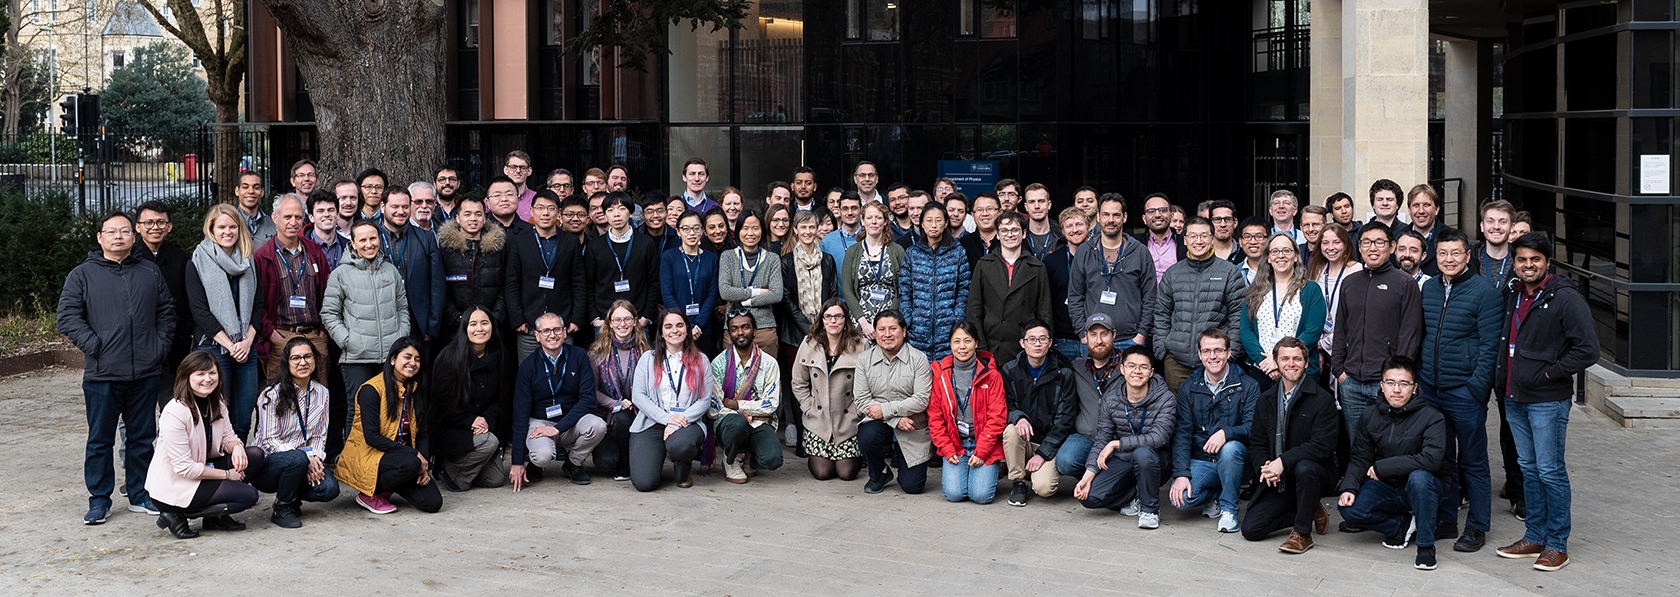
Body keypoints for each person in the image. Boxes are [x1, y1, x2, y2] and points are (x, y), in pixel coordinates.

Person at [59, 211, 177, 523]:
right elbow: (68, 317)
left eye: (124, 231)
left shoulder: (149, 272)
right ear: (100, 237)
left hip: (145, 373)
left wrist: (158, 348)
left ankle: (140, 494)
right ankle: (99, 500)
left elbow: (167, 311)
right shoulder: (82, 275)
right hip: (103, 375)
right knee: (100, 440)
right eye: (111, 232)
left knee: (142, 438)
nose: (118, 237)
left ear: (133, 236)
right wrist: (96, 346)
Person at [1493, 232, 1599, 572]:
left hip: (1546, 400)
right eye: (1521, 259)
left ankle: (1557, 545)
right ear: (1515, 262)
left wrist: (1550, 374)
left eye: (1534, 260)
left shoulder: (1565, 298)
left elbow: (1588, 349)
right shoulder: (1513, 292)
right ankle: (1534, 535)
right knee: (1528, 469)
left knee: (1550, 471)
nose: (1527, 265)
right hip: (1514, 398)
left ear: (1547, 263)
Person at [1417, 228, 1504, 552]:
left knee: (1473, 461)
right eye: (1443, 254)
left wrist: (1475, 390)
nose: (1449, 259)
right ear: (1434, 256)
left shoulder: (1485, 294)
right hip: (1431, 388)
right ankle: (1447, 520)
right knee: (1442, 459)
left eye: (1455, 253)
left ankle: (1477, 527)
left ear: (1468, 256)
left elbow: (1489, 348)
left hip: (1464, 392)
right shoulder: (1429, 289)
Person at [1337, 356, 1449, 570]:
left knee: (1419, 477)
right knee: (1348, 509)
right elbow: (1360, 456)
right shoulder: (1370, 415)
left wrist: (1383, 467)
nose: (1396, 389)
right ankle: (1402, 525)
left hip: (1423, 488)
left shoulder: (1432, 417)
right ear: (1382, 385)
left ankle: (1426, 546)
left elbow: (1431, 460)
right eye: (1390, 382)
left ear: (1414, 388)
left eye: (1404, 383)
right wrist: (1349, 487)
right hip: (1386, 486)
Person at [146, 351, 264, 538]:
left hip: (202, 468)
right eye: (200, 374)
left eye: (212, 373)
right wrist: (227, 475)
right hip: (176, 483)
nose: (207, 379)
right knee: (248, 496)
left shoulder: (215, 402)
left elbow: (228, 437)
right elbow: (185, 468)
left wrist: (238, 447)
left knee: (254, 456)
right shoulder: (175, 412)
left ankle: (214, 517)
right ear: (186, 377)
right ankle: (175, 514)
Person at [1240, 337, 1339, 553]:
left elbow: (1322, 445)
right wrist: (1265, 468)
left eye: (1297, 359)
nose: (1291, 364)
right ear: (1276, 362)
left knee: (1305, 467)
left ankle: (1302, 533)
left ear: (1306, 362)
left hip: (1316, 474)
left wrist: (1282, 462)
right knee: (1251, 529)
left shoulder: (1323, 399)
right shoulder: (1265, 399)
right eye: (1284, 358)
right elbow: (1257, 443)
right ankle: (1308, 508)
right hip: (1281, 478)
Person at [1332, 223, 1424, 442]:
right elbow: (1340, 329)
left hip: (1385, 383)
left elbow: (1410, 334)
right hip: (1351, 381)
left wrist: (1395, 378)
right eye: (1366, 242)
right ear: (1359, 247)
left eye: (1379, 242)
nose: (1373, 248)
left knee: (1390, 444)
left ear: (1391, 247)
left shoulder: (1405, 283)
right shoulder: (1349, 282)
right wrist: (1339, 370)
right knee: (1358, 444)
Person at [322, 220, 413, 432]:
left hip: (390, 356)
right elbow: (329, 313)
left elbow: (402, 308)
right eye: (362, 240)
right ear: (352, 243)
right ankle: (352, 464)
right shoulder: (341, 274)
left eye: (373, 238)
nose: (369, 244)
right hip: (356, 357)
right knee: (358, 411)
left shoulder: (390, 271)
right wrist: (348, 341)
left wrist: (400, 338)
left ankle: (383, 462)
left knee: (390, 410)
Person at [1072, 345, 1176, 529]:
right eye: (1131, 366)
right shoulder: (1111, 399)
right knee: (1090, 497)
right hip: (1125, 461)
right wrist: (1088, 475)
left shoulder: (1165, 398)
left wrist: (1117, 444)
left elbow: (1159, 437)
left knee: (1143, 454)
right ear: (1122, 369)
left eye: (1143, 367)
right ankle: (1137, 493)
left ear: (1151, 372)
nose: (1137, 371)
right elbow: (1102, 440)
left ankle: (1149, 509)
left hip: (1156, 461)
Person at [185, 204, 266, 441]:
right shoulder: (197, 262)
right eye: (221, 227)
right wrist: (231, 346)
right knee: (217, 415)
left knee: (243, 416)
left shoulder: (249, 261)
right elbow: (200, 312)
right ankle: (217, 467)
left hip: (246, 348)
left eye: (233, 226)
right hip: (214, 349)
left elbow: (259, 306)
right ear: (211, 229)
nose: (227, 232)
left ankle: (237, 467)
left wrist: (247, 342)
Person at [1168, 329, 1259, 532]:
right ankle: (1219, 492)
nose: (1213, 356)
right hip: (1202, 458)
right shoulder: (1189, 387)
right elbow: (1182, 432)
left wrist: (1227, 433)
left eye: (1218, 350)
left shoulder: (1248, 385)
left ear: (1228, 353)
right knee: (1180, 499)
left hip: (1237, 459)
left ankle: (1229, 509)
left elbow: (1254, 428)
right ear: (1199, 355)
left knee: (1229, 448)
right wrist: (1181, 474)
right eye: (1207, 351)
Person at [339, 339, 441, 514]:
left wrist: (424, 464)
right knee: (411, 463)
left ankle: (389, 486)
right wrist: (415, 455)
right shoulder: (371, 389)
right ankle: (369, 495)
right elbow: (372, 437)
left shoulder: (416, 390)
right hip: (369, 456)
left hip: (402, 459)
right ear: (393, 360)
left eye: (417, 359)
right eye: (407, 357)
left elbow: (422, 433)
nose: (413, 363)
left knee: (432, 503)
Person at [250, 338, 340, 527]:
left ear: (315, 359)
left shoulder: (322, 393)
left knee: (329, 489)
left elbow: (319, 435)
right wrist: (305, 458)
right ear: (287, 362)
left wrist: (314, 458)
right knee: (297, 459)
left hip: (302, 460)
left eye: (308, 356)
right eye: (296, 358)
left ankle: (291, 495)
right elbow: (269, 440)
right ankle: (282, 508)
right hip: (269, 465)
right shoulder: (271, 394)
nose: (302, 362)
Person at [509, 313, 605, 488]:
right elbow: (520, 413)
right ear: (537, 336)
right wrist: (516, 462)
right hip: (539, 422)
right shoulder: (528, 366)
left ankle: (573, 463)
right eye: (546, 330)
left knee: (598, 425)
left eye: (556, 329)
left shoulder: (579, 356)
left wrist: (557, 428)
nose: (552, 335)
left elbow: (589, 400)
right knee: (542, 456)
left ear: (565, 332)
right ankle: (535, 464)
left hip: (570, 422)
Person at [1152, 216, 1245, 393]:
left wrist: (1231, 353)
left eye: (1204, 235)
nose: (1199, 241)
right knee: (1179, 415)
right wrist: (1162, 351)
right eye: (1193, 236)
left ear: (1212, 238)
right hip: (1176, 361)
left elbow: (1238, 316)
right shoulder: (1173, 273)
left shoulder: (1229, 272)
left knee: (1214, 414)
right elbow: (1162, 313)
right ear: (1185, 239)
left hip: (1216, 360)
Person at [629, 310, 716, 491]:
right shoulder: (647, 359)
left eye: (679, 325)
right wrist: (666, 418)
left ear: (687, 329)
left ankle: (683, 468)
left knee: (680, 445)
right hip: (652, 421)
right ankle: (655, 457)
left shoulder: (701, 360)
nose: (674, 330)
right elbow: (638, 396)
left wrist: (676, 422)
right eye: (668, 326)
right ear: (661, 332)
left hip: (687, 422)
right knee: (644, 484)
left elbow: (704, 400)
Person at [428, 306, 513, 492]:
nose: (479, 329)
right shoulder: (449, 357)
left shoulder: (500, 356)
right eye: (473, 324)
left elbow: (500, 399)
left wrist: (486, 421)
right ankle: (450, 472)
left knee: (495, 479)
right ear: (464, 328)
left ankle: (462, 463)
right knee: (489, 442)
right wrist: (471, 421)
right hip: (452, 428)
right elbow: (442, 405)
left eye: (485, 323)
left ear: (492, 326)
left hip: (481, 428)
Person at [777, 209, 839, 451]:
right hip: (795, 334)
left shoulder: (827, 260)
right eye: (803, 227)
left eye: (812, 227)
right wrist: (808, 328)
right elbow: (786, 300)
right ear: (795, 229)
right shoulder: (786, 262)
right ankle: (804, 438)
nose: (808, 232)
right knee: (800, 385)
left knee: (822, 384)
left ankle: (824, 436)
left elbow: (832, 294)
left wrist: (824, 326)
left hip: (827, 331)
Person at [255, 194, 332, 386]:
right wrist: (271, 334)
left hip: (315, 335)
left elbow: (330, 294)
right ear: (275, 218)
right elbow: (254, 302)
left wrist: (323, 331)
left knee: (319, 397)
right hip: (281, 336)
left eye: (298, 217)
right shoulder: (262, 257)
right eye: (287, 217)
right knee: (280, 398)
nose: (293, 222)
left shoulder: (315, 252)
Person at [854, 310, 934, 494]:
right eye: (881, 329)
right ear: (875, 332)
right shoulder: (864, 359)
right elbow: (861, 401)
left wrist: (885, 409)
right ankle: (879, 473)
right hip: (879, 421)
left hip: (912, 423)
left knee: (913, 487)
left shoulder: (918, 359)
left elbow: (921, 400)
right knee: (867, 436)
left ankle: (904, 458)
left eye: (893, 329)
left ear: (904, 331)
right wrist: (895, 419)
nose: (887, 334)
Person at [999, 320, 1077, 506]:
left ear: (1050, 343)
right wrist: (1018, 417)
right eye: (1032, 339)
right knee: (1011, 430)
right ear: (1022, 342)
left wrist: (1043, 453)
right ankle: (1018, 482)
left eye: (1042, 339)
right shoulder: (1010, 370)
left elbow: (1065, 420)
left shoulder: (1063, 374)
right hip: (1022, 440)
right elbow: (1005, 405)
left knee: (1044, 489)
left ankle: (1035, 471)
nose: (1037, 344)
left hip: (1048, 443)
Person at [504, 190, 587, 362]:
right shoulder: (520, 241)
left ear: (558, 213)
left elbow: (578, 282)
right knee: (530, 375)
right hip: (529, 324)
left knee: (565, 375)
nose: (545, 213)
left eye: (551, 208)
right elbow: (512, 282)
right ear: (532, 211)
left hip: (562, 324)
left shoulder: (570, 241)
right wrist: (517, 319)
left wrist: (576, 318)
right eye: (540, 208)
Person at [928, 322, 1007, 504]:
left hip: (984, 443)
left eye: (967, 341)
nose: (962, 347)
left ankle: (982, 472)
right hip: (956, 444)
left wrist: (982, 452)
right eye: (957, 341)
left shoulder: (992, 376)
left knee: (980, 496)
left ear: (976, 343)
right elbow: (935, 417)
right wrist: (947, 449)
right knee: (954, 495)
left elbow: (998, 417)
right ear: (950, 344)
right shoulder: (941, 375)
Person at [1068, 193, 1155, 352]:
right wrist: (1083, 334)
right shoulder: (1084, 252)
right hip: (1094, 340)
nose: (1111, 220)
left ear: (1124, 217)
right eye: (1106, 215)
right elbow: (1075, 296)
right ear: (1099, 217)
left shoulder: (1140, 253)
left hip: (1130, 340)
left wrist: (1141, 334)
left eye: (1116, 215)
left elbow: (1150, 297)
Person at [793, 299, 867, 480]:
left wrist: (858, 411)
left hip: (848, 420)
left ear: (845, 319)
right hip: (818, 420)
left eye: (838, 316)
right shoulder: (809, 343)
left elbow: (869, 384)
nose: (833, 321)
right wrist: (808, 407)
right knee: (822, 473)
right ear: (822, 320)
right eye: (828, 316)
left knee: (846, 473)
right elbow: (798, 381)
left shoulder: (860, 345)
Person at [1240, 234, 1327, 384]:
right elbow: (1246, 329)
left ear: (1295, 256)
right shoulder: (1255, 290)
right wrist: (1263, 361)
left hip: (1298, 371)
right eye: (1275, 251)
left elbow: (1312, 332)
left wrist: (1281, 361)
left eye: (1286, 251)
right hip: (1263, 370)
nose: (1281, 256)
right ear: (1268, 257)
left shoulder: (1311, 290)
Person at [968, 211, 1051, 365]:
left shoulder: (1038, 267)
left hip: (1026, 348)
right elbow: (974, 310)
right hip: (992, 345)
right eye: (1004, 231)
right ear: (997, 235)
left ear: (1024, 233)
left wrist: (1040, 346)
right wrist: (980, 346)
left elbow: (1044, 311)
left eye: (1015, 230)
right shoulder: (984, 264)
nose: (1009, 235)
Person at [131, 201, 193, 408]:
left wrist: (187, 329)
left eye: (160, 222)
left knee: (174, 404)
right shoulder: (128, 258)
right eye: (148, 222)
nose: (155, 227)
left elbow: (189, 300)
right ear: (137, 227)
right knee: (137, 407)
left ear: (169, 226)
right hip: (137, 344)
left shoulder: (181, 258)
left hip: (175, 342)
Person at [710, 310, 784, 483]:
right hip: (730, 425)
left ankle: (750, 454)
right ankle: (731, 458)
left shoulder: (769, 363)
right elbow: (714, 410)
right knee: (737, 423)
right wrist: (752, 413)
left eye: (745, 327)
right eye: (734, 329)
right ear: (729, 334)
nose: (740, 332)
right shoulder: (718, 364)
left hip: (758, 424)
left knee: (772, 459)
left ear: (754, 331)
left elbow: (771, 405)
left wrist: (737, 406)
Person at [900, 201, 971, 360]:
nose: (934, 225)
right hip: (917, 331)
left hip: (948, 330)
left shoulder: (958, 252)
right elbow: (904, 290)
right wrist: (909, 320)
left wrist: (957, 319)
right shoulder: (912, 253)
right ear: (922, 224)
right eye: (929, 220)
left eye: (938, 220)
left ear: (946, 223)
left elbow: (964, 289)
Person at [589, 300, 650, 482]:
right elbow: (592, 391)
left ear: (635, 321)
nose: (622, 324)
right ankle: (620, 455)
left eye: (627, 319)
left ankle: (626, 463)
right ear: (609, 323)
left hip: (638, 413)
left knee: (624, 417)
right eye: (617, 320)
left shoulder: (646, 353)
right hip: (607, 417)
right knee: (606, 462)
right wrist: (616, 403)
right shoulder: (596, 354)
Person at [378, 187, 445, 351]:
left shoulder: (426, 237)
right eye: (395, 206)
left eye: (405, 207)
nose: (400, 211)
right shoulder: (370, 236)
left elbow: (437, 284)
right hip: (379, 321)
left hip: (417, 323)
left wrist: (431, 326)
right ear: (382, 207)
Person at [437, 195, 508, 342]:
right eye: (467, 214)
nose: (473, 219)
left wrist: (493, 319)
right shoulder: (445, 250)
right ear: (457, 218)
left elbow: (505, 286)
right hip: (454, 331)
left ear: (485, 217)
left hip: (491, 329)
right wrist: (458, 319)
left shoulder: (498, 248)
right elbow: (439, 290)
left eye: (478, 214)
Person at [718, 209, 784, 357]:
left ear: (762, 230)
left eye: (755, 228)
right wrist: (757, 292)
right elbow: (725, 292)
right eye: (745, 228)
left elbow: (776, 294)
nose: (750, 233)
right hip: (734, 328)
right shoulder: (728, 257)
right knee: (734, 377)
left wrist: (744, 302)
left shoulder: (772, 259)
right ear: (738, 230)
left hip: (764, 328)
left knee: (766, 376)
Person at [840, 202, 906, 341]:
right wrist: (863, 322)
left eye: (878, 217)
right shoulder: (852, 252)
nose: (874, 222)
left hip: (890, 322)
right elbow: (847, 289)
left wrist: (886, 322)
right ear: (863, 221)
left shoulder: (897, 250)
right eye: (869, 218)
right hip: (860, 322)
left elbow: (903, 288)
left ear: (885, 221)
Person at [1308, 222, 1361, 389]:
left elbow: (1356, 317)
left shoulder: (1357, 271)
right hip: (1318, 346)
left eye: (1336, 242)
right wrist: (1318, 346)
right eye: (1325, 242)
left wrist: (1325, 344)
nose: (1330, 247)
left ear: (1346, 244)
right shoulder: (1316, 271)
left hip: (1344, 348)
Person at [660, 210, 722, 351]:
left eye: (696, 228)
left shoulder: (711, 259)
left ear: (702, 231)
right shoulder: (668, 257)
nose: (692, 233)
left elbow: (712, 295)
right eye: (686, 229)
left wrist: (698, 325)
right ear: (678, 232)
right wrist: (685, 325)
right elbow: (667, 294)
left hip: (703, 327)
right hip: (675, 327)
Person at [1044, 207, 1092, 360]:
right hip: (1063, 339)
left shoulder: (1101, 258)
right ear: (1063, 231)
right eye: (1069, 226)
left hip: (1094, 336)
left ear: (1088, 228)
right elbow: (1046, 302)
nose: (1075, 230)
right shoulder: (1051, 261)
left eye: (1079, 224)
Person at [1392, 183, 1457, 277]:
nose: (1421, 211)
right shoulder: (1395, 238)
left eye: (1426, 205)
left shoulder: (1453, 238)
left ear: (1436, 209)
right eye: (1416, 205)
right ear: (1409, 210)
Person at [1135, 193, 1186, 283]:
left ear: (1171, 215)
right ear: (1144, 219)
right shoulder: (1135, 244)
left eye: (1162, 210)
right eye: (1151, 211)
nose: (1157, 215)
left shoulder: (1185, 243)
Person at [306, 190, 352, 271]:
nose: (327, 214)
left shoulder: (349, 247)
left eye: (331, 210)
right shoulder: (302, 247)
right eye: (320, 211)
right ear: (311, 217)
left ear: (338, 215)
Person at [957, 192, 1003, 269]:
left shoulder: (1009, 241)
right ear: (972, 215)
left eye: (990, 209)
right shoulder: (963, 244)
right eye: (979, 210)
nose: (985, 213)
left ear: (1000, 212)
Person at [235, 172, 277, 249]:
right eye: (245, 187)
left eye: (256, 188)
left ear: (262, 192)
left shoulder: (273, 224)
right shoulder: (228, 222)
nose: (251, 191)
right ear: (237, 191)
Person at [1021, 183, 1063, 260]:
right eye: (1031, 202)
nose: (1037, 206)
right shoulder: (1017, 236)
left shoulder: (1062, 237)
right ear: (1026, 207)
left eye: (1041, 201)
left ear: (1049, 204)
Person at [820, 192, 862, 264]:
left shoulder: (871, 237)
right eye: (845, 208)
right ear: (840, 211)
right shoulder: (827, 241)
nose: (850, 213)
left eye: (854, 208)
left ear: (861, 209)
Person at [640, 191, 677, 256]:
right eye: (649, 212)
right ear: (643, 214)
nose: (655, 215)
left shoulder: (678, 237)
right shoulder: (634, 237)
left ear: (666, 212)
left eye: (660, 211)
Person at [504, 151, 538, 221]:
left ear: (529, 171)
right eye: (513, 167)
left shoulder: (537, 199)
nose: (518, 171)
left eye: (522, 167)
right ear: (506, 170)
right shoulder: (494, 199)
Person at [1235, 218, 1270, 283]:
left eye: (1259, 236)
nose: (1253, 242)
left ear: (1269, 240)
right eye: (1247, 237)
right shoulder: (1234, 272)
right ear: (1240, 241)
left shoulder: (1278, 269)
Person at [1299, 205, 1327, 270]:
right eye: (1306, 225)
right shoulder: (1295, 252)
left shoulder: (1333, 251)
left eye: (1315, 224)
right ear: (1301, 227)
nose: (1311, 229)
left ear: (1325, 226)